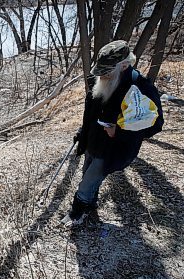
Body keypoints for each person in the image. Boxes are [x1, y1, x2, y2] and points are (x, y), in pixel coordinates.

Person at [62, 40, 164, 225]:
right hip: (92, 141)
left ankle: (77, 213)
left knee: (88, 181)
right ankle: (90, 204)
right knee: (87, 173)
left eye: (106, 71)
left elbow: (155, 124)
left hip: (113, 147)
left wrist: (119, 131)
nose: (102, 76)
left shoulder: (140, 87)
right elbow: (91, 113)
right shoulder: (100, 80)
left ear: (124, 65)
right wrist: (82, 132)